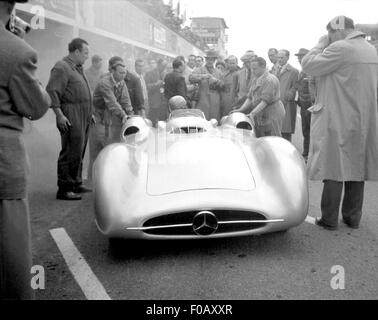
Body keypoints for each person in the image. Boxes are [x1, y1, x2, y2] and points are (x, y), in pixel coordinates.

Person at [302, 15, 378, 230]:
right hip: (362, 119)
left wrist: (318, 45)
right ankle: (353, 218)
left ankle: (329, 219)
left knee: (333, 168)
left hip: (338, 118)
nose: (329, 38)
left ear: (338, 30)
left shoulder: (341, 48)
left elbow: (309, 66)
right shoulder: (369, 48)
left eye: (330, 34)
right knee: (356, 168)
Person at [0, 0, 51, 300]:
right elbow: (35, 106)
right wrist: (19, 40)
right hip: (4, 166)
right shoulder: (16, 51)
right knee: (12, 262)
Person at [46, 38, 93, 201]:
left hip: (84, 114)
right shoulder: (62, 67)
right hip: (70, 114)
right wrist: (59, 115)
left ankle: (76, 183)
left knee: (79, 151)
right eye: (85, 53)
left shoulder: (77, 68)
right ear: (76, 52)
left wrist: (89, 113)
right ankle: (65, 188)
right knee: (70, 151)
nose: (87, 56)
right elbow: (52, 92)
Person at [233, 57, 285, 137]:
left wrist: (252, 114)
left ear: (263, 66)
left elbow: (265, 101)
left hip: (272, 112)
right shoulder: (256, 79)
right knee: (262, 138)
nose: (252, 71)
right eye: (252, 69)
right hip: (261, 112)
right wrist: (240, 110)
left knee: (273, 138)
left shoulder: (269, 80)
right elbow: (250, 97)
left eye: (255, 69)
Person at [93, 56, 133, 145]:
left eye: (124, 73)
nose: (123, 75)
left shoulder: (121, 82)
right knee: (100, 139)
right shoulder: (105, 82)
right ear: (113, 71)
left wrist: (130, 114)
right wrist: (123, 115)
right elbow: (112, 102)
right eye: (120, 73)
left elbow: (126, 100)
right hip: (97, 114)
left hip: (108, 114)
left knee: (109, 138)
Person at [85, 54, 104, 184]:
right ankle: (90, 177)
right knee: (93, 149)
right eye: (99, 62)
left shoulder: (103, 74)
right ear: (94, 62)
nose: (100, 65)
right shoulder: (86, 73)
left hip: (101, 113)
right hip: (92, 112)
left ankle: (99, 176)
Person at [189, 49, 224, 121]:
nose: (210, 61)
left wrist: (216, 81)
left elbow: (223, 86)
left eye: (212, 59)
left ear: (215, 60)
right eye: (208, 59)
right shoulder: (199, 70)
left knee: (214, 123)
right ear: (206, 59)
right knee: (202, 122)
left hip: (215, 103)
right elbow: (191, 78)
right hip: (203, 101)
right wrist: (203, 76)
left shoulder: (219, 73)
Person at [276, 49, 299, 142]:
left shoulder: (294, 71)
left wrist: (288, 95)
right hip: (276, 103)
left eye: (281, 57)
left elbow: (295, 86)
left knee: (286, 130)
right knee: (277, 129)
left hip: (287, 103)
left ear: (287, 58)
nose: (279, 59)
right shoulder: (275, 69)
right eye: (278, 57)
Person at [294, 48, 313, 161]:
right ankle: (306, 152)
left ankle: (310, 154)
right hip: (303, 104)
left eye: (301, 57)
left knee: (311, 130)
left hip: (310, 105)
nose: (299, 59)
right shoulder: (302, 70)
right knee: (305, 130)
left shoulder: (311, 70)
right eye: (298, 57)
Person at [145, 58, 168, 125]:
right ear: (158, 64)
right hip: (154, 102)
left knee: (162, 122)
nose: (164, 67)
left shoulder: (165, 74)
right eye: (163, 65)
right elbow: (146, 86)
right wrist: (156, 84)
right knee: (152, 120)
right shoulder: (149, 73)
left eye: (165, 66)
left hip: (163, 102)